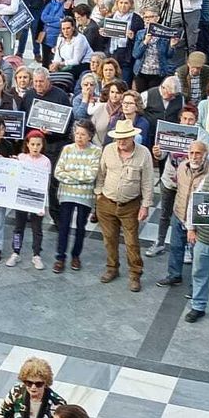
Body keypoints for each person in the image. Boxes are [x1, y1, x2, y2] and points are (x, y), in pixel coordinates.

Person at [94, 120, 154, 294]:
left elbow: (148, 182)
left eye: (125, 138)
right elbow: (101, 173)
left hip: (130, 205)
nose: (121, 142)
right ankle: (112, 268)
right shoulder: (108, 150)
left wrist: (145, 206)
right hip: (106, 202)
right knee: (109, 239)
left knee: (131, 242)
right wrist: (98, 193)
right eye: (118, 138)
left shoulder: (144, 153)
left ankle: (135, 274)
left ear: (133, 137)